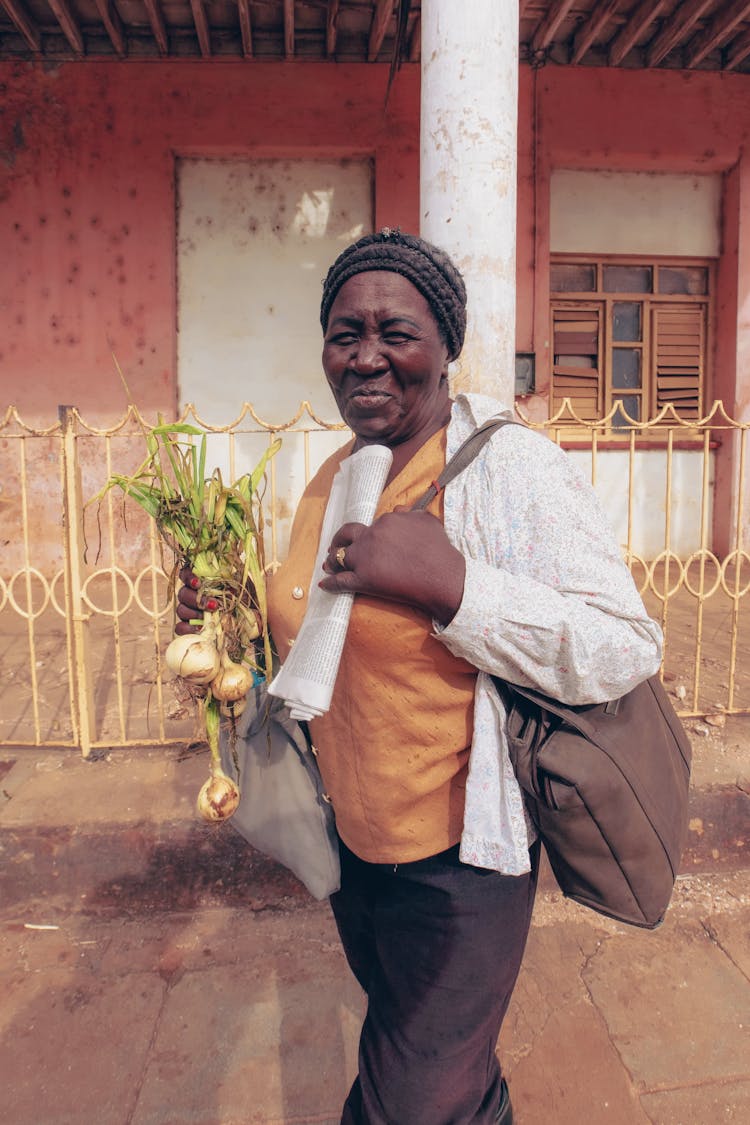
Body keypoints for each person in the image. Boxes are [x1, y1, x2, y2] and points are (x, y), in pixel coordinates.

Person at [177, 230, 662, 1124]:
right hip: (355, 851)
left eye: (395, 332)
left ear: (445, 346)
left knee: (404, 1099)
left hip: (461, 868)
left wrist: (455, 588)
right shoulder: (334, 472)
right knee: (446, 1072)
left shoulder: (508, 469)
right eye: (343, 332)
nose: (366, 356)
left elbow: (625, 643)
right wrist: (222, 632)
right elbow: (318, 649)